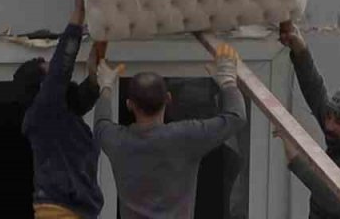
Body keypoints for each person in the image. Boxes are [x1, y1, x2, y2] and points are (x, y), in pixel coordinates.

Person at [93, 43, 245, 219]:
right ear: (168, 98)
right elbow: (236, 117)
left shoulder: (118, 141)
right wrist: (228, 81)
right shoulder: (186, 137)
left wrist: (106, 86)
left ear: (129, 105)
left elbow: (101, 123)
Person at [12, 0, 105, 219]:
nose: (54, 71)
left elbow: (85, 94)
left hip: (72, 211)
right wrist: (79, 11)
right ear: (42, 86)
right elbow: (61, 68)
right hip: (60, 212)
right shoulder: (43, 112)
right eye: (48, 69)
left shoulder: (61, 117)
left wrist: (97, 68)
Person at [276, 23, 340, 219]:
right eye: (329, 118)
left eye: (339, 122)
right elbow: (315, 91)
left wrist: (297, 160)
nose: (329, 126)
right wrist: (299, 49)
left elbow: (338, 201)